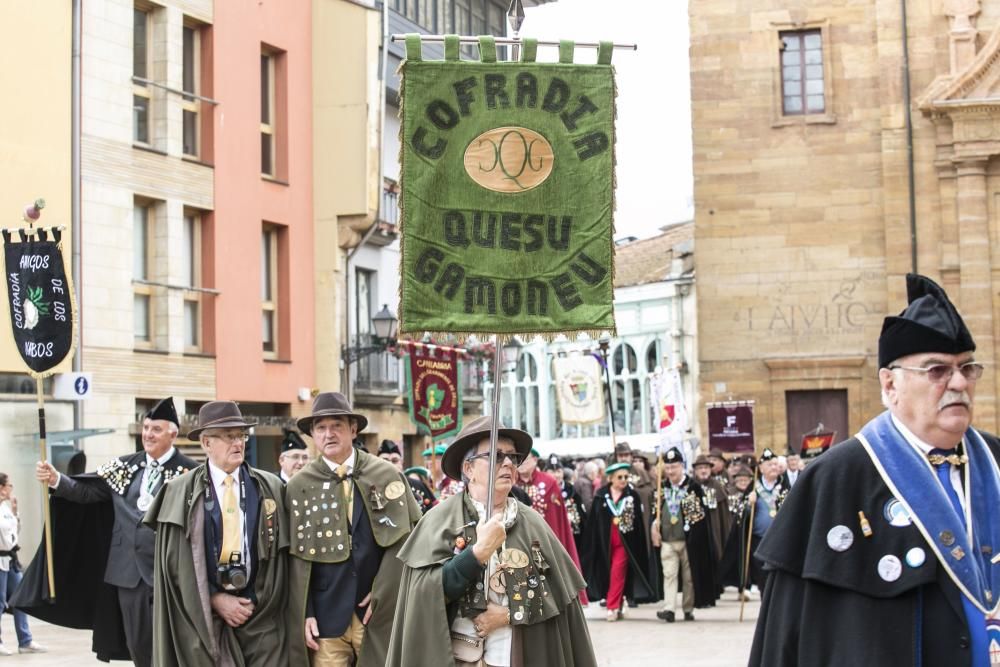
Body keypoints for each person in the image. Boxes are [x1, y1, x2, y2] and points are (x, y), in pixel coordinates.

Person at [750, 273, 1000, 665]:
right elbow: (786, 636)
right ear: (890, 385)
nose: (958, 383)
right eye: (937, 370)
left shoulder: (996, 461)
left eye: (967, 368)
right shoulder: (834, 480)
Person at [386, 416, 596, 667]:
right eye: (496, 456)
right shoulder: (438, 521)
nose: (508, 463)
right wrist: (475, 555)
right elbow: (424, 596)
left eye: (512, 457)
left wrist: (509, 615)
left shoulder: (532, 522)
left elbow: (556, 598)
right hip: (459, 656)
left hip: (518, 655)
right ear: (468, 469)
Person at [21, 397, 197, 666]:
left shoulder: (190, 473)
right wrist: (57, 479)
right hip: (126, 575)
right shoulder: (125, 466)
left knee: (172, 645)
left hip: (169, 574)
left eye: (156, 429)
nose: (148, 434)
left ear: (173, 434)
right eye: (146, 428)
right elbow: (87, 491)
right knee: (138, 644)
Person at [144, 401, 288, 666]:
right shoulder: (179, 492)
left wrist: (258, 600)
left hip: (261, 618)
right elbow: (175, 564)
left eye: (241, 435)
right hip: (204, 621)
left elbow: (284, 557)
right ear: (206, 443)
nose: (238, 443)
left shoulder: (270, 487)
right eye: (228, 436)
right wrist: (214, 598)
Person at [287, 393, 420, 667]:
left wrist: (385, 589)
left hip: (376, 611)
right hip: (325, 617)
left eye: (337, 425)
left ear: (353, 429)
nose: (329, 434)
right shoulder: (299, 485)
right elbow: (294, 557)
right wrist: (305, 611)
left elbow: (409, 537)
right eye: (321, 428)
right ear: (312, 434)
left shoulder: (385, 474)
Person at [650, 447, 716, 622]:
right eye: (668, 467)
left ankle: (688, 608)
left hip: (688, 541)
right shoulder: (661, 488)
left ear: (682, 466)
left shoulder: (693, 488)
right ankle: (669, 609)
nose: (670, 471)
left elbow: (702, 516)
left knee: (688, 578)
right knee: (669, 575)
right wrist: (654, 526)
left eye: (674, 467)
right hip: (667, 541)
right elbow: (654, 512)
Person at [584, 462, 655, 622]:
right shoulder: (601, 495)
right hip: (605, 544)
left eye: (626, 477)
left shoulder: (632, 495)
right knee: (608, 574)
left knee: (618, 571)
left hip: (625, 544)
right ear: (611, 478)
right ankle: (621, 600)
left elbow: (638, 523)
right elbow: (594, 522)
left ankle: (612, 607)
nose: (623, 480)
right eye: (620, 477)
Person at [515, 448, 586, 602]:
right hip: (518, 539)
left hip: (543, 539)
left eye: (525, 459)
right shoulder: (511, 481)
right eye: (518, 459)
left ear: (535, 460)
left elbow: (556, 517)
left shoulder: (548, 482)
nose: (521, 463)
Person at [0, 474, 45, 655]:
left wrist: (16, 510)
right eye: (9, 485)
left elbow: (14, 531)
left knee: (21, 597)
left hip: (10, 559)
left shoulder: (5, 507)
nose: (12, 488)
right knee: (0, 602)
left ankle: (25, 640)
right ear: (2, 487)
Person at [691, 454, 732, 578]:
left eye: (706, 468)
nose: (703, 471)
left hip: (714, 527)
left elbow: (724, 512)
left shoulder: (717, 485)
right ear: (695, 471)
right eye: (700, 468)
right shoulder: (691, 485)